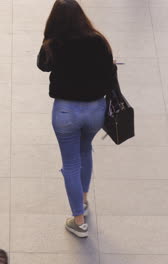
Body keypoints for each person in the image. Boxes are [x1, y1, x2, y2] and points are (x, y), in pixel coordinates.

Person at [37, 0, 114, 238]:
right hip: (94, 111)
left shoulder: (54, 44)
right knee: (85, 151)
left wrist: (47, 41)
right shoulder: (98, 40)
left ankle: (78, 221)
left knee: (70, 163)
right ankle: (83, 198)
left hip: (66, 112)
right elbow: (108, 70)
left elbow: (42, 66)